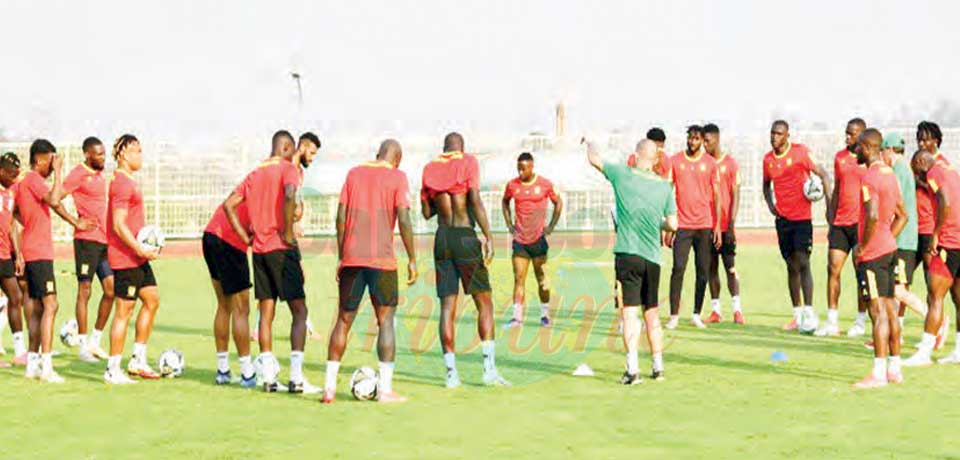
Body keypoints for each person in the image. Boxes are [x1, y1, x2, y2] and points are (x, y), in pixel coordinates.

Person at [322, 139, 417, 404]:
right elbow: (404, 218)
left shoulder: (353, 173)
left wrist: (342, 256)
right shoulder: (398, 177)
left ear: (378, 154)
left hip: (352, 259)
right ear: (397, 159)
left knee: (343, 321)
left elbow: (340, 218)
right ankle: (385, 390)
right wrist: (412, 258)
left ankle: (329, 388)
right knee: (385, 320)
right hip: (382, 261)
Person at [224, 130, 314, 393]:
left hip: (260, 251)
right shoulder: (288, 169)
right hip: (282, 249)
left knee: (266, 313)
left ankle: (268, 378)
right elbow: (289, 194)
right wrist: (288, 232)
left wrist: (246, 237)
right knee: (300, 311)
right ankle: (296, 378)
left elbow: (229, 205)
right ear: (286, 148)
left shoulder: (255, 173)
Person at [421, 132, 508, 388]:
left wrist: (439, 197)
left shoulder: (429, 168)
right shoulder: (468, 161)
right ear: (461, 147)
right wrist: (488, 236)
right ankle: (489, 371)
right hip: (464, 236)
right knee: (484, 302)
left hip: (442, 238)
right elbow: (475, 200)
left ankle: (451, 375)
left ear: (444, 148)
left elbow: (426, 212)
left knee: (447, 307)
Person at [586, 138, 676, 383]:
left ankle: (632, 370)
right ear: (655, 160)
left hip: (628, 253)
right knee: (652, 313)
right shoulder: (664, 186)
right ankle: (658, 367)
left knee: (629, 314)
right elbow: (673, 224)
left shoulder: (623, 174)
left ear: (635, 156)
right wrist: (655, 222)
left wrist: (590, 142)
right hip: (653, 258)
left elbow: (594, 159)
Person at [15, 139, 94, 382]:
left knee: (38, 308)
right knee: (52, 305)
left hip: (33, 250)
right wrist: (59, 172)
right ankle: (47, 366)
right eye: (51, 160)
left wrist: (75, 222)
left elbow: (32, 208)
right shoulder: (33, 179)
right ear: (39, 159)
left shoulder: (26, 182)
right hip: (38, 252)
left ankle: (32, 365)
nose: (52, 165)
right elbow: (54, 198)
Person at [762, 120, 833, 332]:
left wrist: (828, 203)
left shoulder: (801, 153)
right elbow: (765, 185)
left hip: (802, 219)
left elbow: (823, 173)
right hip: (782, 220)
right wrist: (771, 205)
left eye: (779, 134)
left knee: (803, 262)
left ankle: (809, 312)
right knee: (790, 265)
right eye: (772, 133)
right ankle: (797, 315)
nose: (774, 137)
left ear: (787, 136)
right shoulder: (768, 160)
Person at [103, 135, 163, 384]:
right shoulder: (121, 183)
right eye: (137, 151)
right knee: (124, 311)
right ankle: (112, 369)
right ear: (125, 154)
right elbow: (118, 224)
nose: (141, 155)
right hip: (126, 257)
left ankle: (138, 359)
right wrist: (140, 249)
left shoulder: (128, 180)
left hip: (137, 257)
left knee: (152, 300)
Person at [851, 129, 906, 389]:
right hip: (889, 250)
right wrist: (887, 238)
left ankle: (878, 373)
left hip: (873, 255)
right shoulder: (889, 174)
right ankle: (895, 369)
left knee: (878, 312)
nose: (855, 151)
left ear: (866, 146)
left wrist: (863, 247)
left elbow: (872, 216)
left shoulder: (870, 177)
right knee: (891, 310)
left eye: (858, 147)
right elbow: (903, 215)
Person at [904, 149, 960, 366]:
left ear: (921, 162)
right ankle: (958, 350)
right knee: (958, 299)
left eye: (915, 169)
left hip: (947, 242)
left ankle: (924, 353)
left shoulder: (934, 173)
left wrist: (936, 234)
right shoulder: (951, 170)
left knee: (935, 296)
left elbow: (945, 200)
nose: (917, 175)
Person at [61, 136, 114, 361]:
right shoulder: (78, 173)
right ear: (87, 154)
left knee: (111, 290)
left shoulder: (100, 174)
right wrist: (75, 221)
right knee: (85, 290)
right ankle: (83, 347)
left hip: (104, 241)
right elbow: (55, 198)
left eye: (104, 153)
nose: (103, 157)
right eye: (99, 154)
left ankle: (95, 342)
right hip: (86, 241)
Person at [667, 125, 721, 329]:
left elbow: (717, 195)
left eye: (696, 138)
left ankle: (696, 314)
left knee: (702, 270)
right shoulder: (675, 161)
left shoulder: (710, 163)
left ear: (702, 141)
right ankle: (674, 316)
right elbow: (667, 192)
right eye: (690, 138)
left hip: (704, 225)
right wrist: (668, 225)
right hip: (682, 225)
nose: (692, 142)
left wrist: (717, 225)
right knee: (678, 268)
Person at [502, 152, 562, 329]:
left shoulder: (544, 184)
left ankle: (545, 315)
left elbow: (558, 202)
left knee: (541, 278)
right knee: (519, 279)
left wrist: (551, 226)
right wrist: (509, 224)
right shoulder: (512, 185)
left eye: (524, 168)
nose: (521, 172)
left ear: (532, 167)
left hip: (538, 241)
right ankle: (517, 318)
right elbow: (504, 202)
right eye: (518, 168)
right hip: (520, 241)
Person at [822, 118, 868, 337]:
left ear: (861, 135)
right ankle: (832, 321)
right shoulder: (839, 157)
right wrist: (831, 217)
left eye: (851, 133)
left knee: (860, 273)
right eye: (846, 133)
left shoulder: (868, 160)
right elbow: (838, 189)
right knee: (833, 269)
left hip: (860, 224)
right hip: (840, 223)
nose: (847, 137)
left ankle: (860, 321)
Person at [203, 199, 255, 387]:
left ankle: (223, 370)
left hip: (210, 236)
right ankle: (247, 373)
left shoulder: (247, 185)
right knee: (241, 309)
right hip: (230, 242)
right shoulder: (269, 189)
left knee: (224, 305)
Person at [881, 134, 928, 337]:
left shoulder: (899, 170)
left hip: (902, 239)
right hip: (901, 238)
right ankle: (892, 334)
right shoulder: (902, 169)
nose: (881, 155)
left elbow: (895, 203)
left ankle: (935, 320)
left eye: (882, 151)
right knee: (893, 291)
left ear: (890, 150)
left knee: (897, 290)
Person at [913, 121, 951, 349]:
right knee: (900, 282)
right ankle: (894, 333)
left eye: (926, 139)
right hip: (913, 229)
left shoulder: (940, 166)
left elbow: (943, 196)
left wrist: (919, 179)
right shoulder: (918, 162)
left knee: (933, 285)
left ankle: (936, 329)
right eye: (919, 139)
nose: (921, 143)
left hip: (930, 230)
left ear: (936, 140)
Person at [702, 124, 744, 324]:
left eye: (707, 141)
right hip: (708, 225)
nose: (704, 144)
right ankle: (716, 311)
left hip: (726, 226)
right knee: (711, 268)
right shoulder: (703, 164)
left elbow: (736, 195)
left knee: (730, 268)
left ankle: (737, 310)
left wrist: (732, 224)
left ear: (717, 140)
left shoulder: (730, 164)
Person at [0, 153, 24, 367]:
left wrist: (18, 254)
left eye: (17, 175)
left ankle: (19, 352)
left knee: (15, 297)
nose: (14, 179)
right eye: (11, 174)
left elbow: (12, 225)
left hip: (4, 255)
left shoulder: (11, 192)